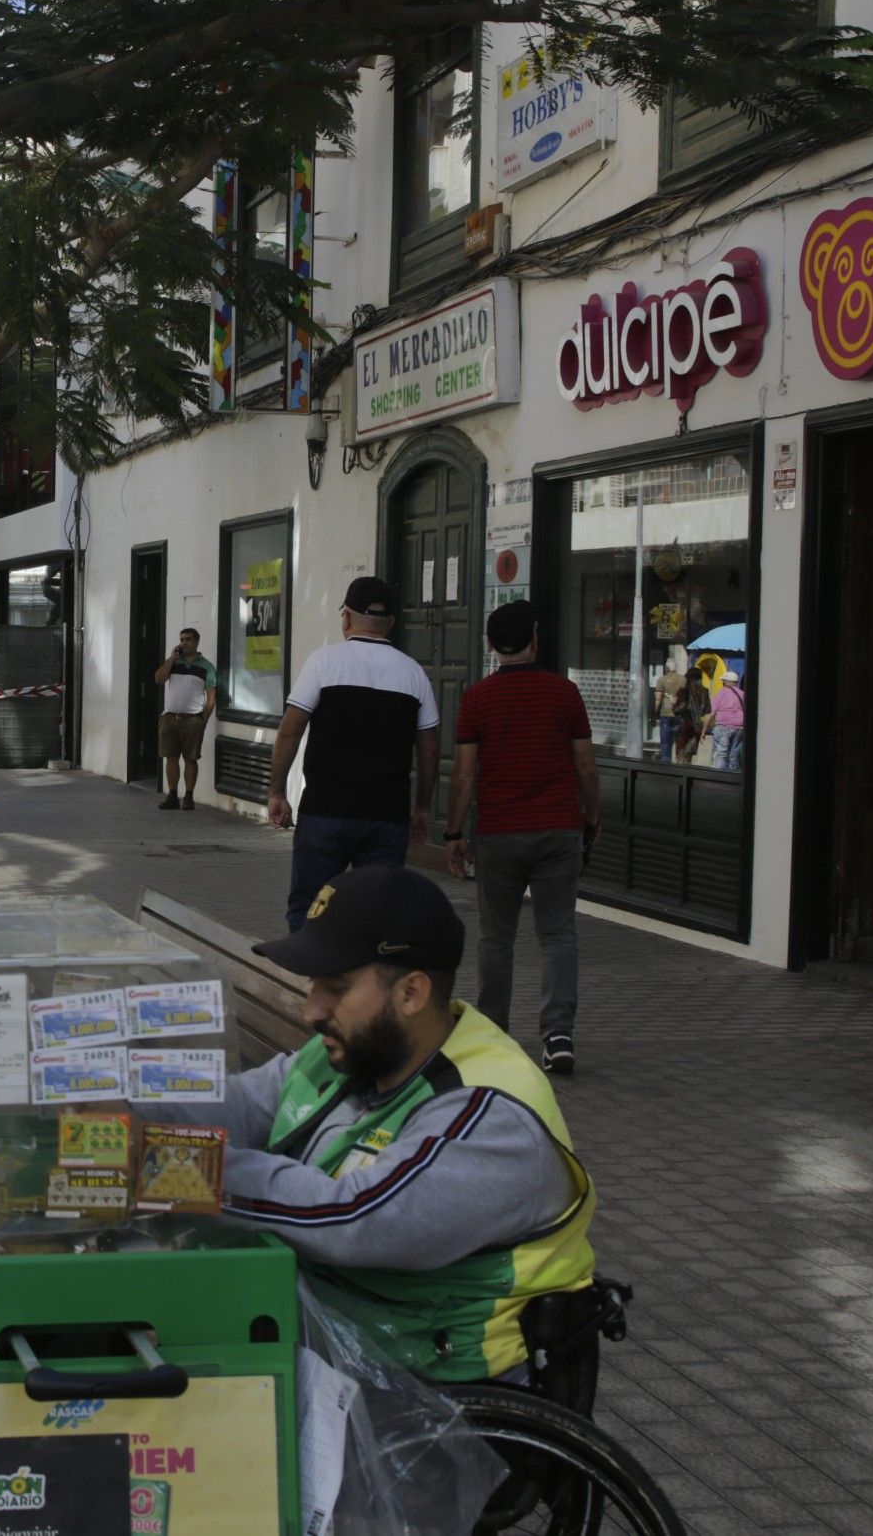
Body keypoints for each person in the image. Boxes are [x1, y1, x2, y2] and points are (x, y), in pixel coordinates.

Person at [203, 866, 595, 1382]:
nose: (311, 1009)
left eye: (335, 987)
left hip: (445, 1406)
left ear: (411, 993)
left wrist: (180, 1171)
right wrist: (104, 1107)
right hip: (343, 1350)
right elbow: (236, 1105)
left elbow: (358, 1218)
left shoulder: (492, 1111)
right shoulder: (358, 1051)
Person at [443, 601, 600, 1075]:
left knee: (497, 937)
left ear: (492, 645)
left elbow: (464, 776)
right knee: (557, 933)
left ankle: (493, 1031)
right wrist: (591, 817)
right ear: (535, 639)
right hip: (558, 829)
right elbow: (586, 765)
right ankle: (557, 1035)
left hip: (500, 833)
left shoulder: (477, 699)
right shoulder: (565, 694)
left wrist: (453, 832)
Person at [264, 576, 439, 936]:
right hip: (387, 816)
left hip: (326, 810)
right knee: (377, 913)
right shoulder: (413, 674)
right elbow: (429, 748)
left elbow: (290, 730)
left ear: (345, 617)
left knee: (310, 908)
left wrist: (277, 791)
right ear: (391, 622)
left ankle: (311, 987)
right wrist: (422, 808)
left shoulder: (323, 663)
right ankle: (367, 989)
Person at [152, 627, 219, 810]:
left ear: (197, 641)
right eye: (181, 639)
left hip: (193, 720)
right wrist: (172, 658)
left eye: (188, 639)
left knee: (191, 759)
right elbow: (159, 678)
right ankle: (172, 795)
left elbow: (211, 698)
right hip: (170, 717)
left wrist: (202, 720)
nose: (184, 642)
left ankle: (188, 796)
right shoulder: (174, 662)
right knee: (170, 757)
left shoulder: (207, 667)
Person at [708, 672, 746, 772]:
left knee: (721, 754)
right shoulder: (742, 694)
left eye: (723, 681)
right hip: (739, 727)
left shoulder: (721, 693)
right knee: (733, 755)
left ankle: (720, 778)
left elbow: (712, 712)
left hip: (723, 726)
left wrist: (705, 728)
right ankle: (733, 778)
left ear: (726, 682)